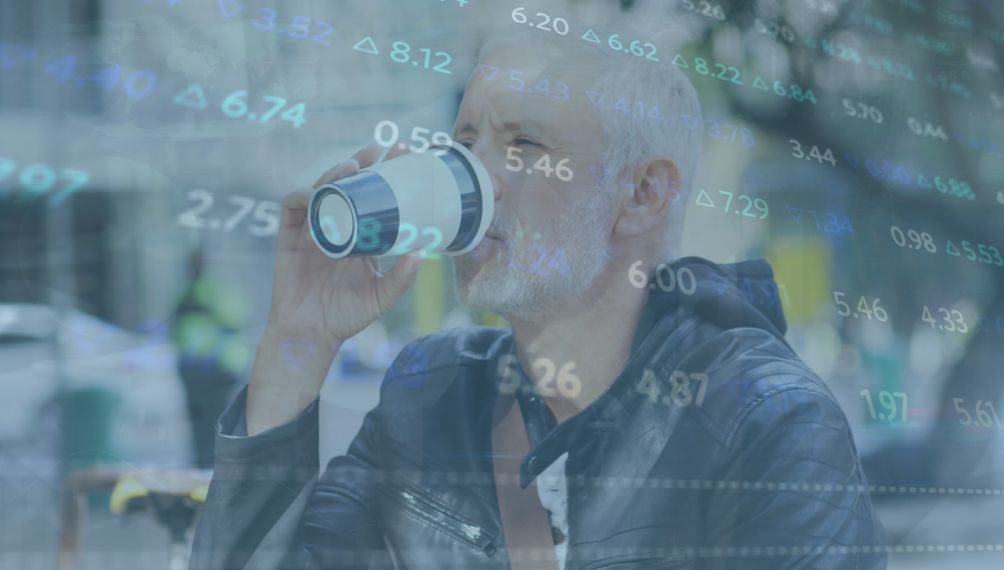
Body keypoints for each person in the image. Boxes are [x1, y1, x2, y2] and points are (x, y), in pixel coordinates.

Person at [191, 32, 887, 569]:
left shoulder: (766, 422)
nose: (477, 176)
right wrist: (297, 343)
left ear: (642, 194)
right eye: (464, 143)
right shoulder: (430, 394)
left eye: (523, 144)